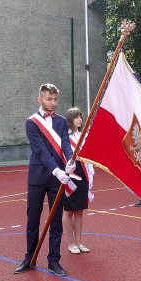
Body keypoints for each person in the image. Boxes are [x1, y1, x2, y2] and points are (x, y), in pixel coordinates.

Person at [14, 84, 74, 277]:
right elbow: (39, 150)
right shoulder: (31, 123)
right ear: (40, 99)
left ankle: (53, 261)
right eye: (49, 99)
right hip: (39, 176)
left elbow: (65, 142)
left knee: (56, 220)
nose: (53, 103)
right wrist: (57, 171)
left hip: (59, 178)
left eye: (55, 99)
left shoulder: (62, 121)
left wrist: (71, 160)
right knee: (33, 219)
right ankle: (29, 258)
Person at [62, 107, 94, 254]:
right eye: (76, 117)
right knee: (69, 210)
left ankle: (79, 242)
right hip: (70, 176)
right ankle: (71, 243)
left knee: (80, 210)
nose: (80, 119)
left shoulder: (84, 135)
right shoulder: (64, 137)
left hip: (83, 174)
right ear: (70, 119)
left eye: (80, 117)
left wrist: (91, 176)